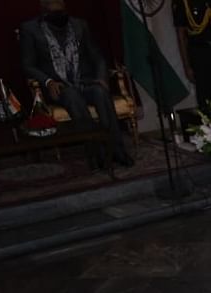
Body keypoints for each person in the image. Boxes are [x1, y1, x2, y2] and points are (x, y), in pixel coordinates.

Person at [19, 0, 134, 168]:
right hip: (59, 86)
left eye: (61, 10)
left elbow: (97, 56)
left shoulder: (80, 25)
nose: (59, 15)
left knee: (100, 92)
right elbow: (28, 65)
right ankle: (97, 155)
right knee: (73, 96)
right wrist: (48, 81)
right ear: (43, 10)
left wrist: (102, 78)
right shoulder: (30, 29)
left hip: (85, 81)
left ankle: (117, 150)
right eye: (54, 11)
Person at [173, 0, 211, 108]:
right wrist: (187, 66)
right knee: (206, 101)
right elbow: (181, 35)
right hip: (200, 54)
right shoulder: (184, 3)